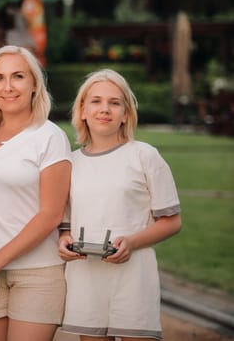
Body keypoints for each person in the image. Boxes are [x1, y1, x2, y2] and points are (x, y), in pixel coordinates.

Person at [0, 45, 72, 341]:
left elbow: (51, 214)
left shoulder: (49, 137)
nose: (7, 87)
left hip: (37, 273)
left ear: (34, 84)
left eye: (18, 76)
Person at [57, 68, 182, 341]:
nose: (105, 109)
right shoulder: (69, 162)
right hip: (85, 277)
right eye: (96, 101)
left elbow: (172, 221)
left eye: (114, 103)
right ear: (82, 110)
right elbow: (64, 225)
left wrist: (133, 243)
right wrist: (64, 241)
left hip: (134, 276)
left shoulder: (145, 156)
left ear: (126, 114)